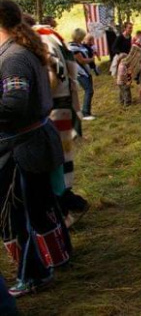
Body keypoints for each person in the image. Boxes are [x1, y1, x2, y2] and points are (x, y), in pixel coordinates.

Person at [0, 0, 71, 297]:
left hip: (23, 149)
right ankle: (56, 257)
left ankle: (35, 274)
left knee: (25, 214)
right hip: (31, 143)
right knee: (40, 207)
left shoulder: (13, 57)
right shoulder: (18, 50)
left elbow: (15, 104)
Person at [33, 21, 89, 228]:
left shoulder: (40, 38)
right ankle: (69, 206)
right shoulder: (49, 35)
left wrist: (40, 103)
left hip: (54, 109)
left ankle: (67, 209)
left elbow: (54, 71)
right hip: (61, 106)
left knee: (56, 164)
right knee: (60, 162)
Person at [68, 28, 96, 120]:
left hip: (86, 71)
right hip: (80, 72)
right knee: (89, 90)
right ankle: (85, 113)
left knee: (90, 90)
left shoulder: (79, 45)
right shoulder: (73, 47)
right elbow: (81, 60)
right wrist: (92, 59)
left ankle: (87, 111)